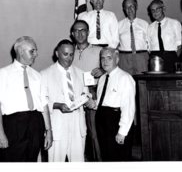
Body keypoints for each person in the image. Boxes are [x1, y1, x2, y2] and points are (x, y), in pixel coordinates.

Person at [0, 36, 53, 162]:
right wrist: (0, 134)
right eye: (32, 51)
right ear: (20, 51)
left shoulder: (37, 76)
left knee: (32, 162)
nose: (36, 54)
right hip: (13, 125)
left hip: (35, 123)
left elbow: (44, 105)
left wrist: (49, 131)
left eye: (36, 51)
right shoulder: (3, 74)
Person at [40, 39, 94, 162]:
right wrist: (57, 105)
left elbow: (85, 95)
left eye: (71, 55)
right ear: (57, 53)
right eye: (65, 54)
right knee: (56, 162)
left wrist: (87, 99)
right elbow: (41, 102)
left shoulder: (81, 73)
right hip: (57, 123)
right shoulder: (45, 74)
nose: (69, 58)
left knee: (78, 162)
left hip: (77, 124)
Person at [95, 47, 136, 161]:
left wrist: (122, 132)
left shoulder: (125, 78)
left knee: (119, 158)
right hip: (102, 121)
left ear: (117, 60)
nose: (105, 61)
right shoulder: (102, 78)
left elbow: (128, 107)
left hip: (116, 122)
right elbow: (102, 102)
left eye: (109, 58)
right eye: (102, 58)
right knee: (106, 157)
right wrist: (92, 103)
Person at [71, 19, 103, 161]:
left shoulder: (99, 50)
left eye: (83, 30)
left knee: (94, 133)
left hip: (92, 92)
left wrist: (102, 70)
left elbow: (112, 68)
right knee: (76, 132)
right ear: (72, 34)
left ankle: (99, 163)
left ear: (88, 32)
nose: (80, 33)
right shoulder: (69, 51)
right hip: (74, 94)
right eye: (77, 30)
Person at [147, 0, 182, 73]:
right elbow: (149, 47)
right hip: (155, 59)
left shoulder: (174, 23)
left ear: (163, 9)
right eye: (152, 10)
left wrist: (174, 60)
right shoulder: (150, 27)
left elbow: (179, 46)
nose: (155, 12)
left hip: (171, 58)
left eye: (157, 9)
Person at [118, 0, 149, 75]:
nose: (130, 9)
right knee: (125, 83)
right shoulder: (119, 25)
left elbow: (150, 43)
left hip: (141, 57)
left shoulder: (145, 24)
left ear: (136, 7)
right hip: (124, 58)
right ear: (124, 9)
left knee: (142, 83)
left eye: (132, 6)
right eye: (127, 7)